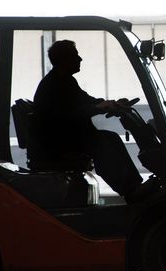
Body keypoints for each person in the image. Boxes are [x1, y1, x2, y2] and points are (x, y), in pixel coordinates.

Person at [29, 40, 146, 202]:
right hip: (58, 145)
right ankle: (130, 190)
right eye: (75, 56)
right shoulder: (52, 87)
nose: (80, 59)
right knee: (99, 143)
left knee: (111, 137)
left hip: (70, 139)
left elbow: (87, 101)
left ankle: (136, 185)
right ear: (65, 60)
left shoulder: (66, 81)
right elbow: (70, 115)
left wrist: (110, 104)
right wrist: (99, 107)